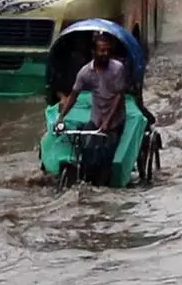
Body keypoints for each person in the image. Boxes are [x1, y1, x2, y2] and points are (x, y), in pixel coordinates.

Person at [54, 33, 128, 185]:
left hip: (114, 120)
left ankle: (103, 184)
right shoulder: (85, 72)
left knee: (106, 155)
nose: (105, 53)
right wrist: (61, 117)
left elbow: (118, 97)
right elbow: (73, 96)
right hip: (96, 117)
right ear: (94, 52)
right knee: (86, 147)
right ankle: (85, 179)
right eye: (101, 50)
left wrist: (108, 122)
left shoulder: (117, 69)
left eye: (107, 50)